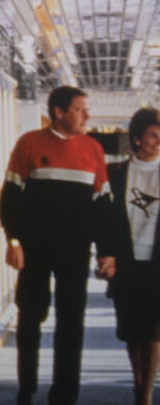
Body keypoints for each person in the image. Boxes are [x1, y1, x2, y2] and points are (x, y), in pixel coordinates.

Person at [0, 85, 116, 405]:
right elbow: (10, 199)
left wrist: (106, 252)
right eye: (80, 110)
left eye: (87, 110)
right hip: (34, 249)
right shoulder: (29, 143)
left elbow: (103, 206)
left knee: (71, 324)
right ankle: (26, 390)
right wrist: (14, 240)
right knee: (30, 318)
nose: (87, 116)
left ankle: (64, 396)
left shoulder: (93, 149)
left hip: (75, 252)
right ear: (59, 112)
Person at [104, 107, 160, 405]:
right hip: (125, 262)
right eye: (153, 135)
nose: (158, 141)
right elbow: (104, 219)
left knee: (154, 332)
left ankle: (145, 395)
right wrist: (106, 254)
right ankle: (138, 382)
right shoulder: (115, 173)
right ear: (137, 138)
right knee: (132, 332)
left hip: (157, 264)